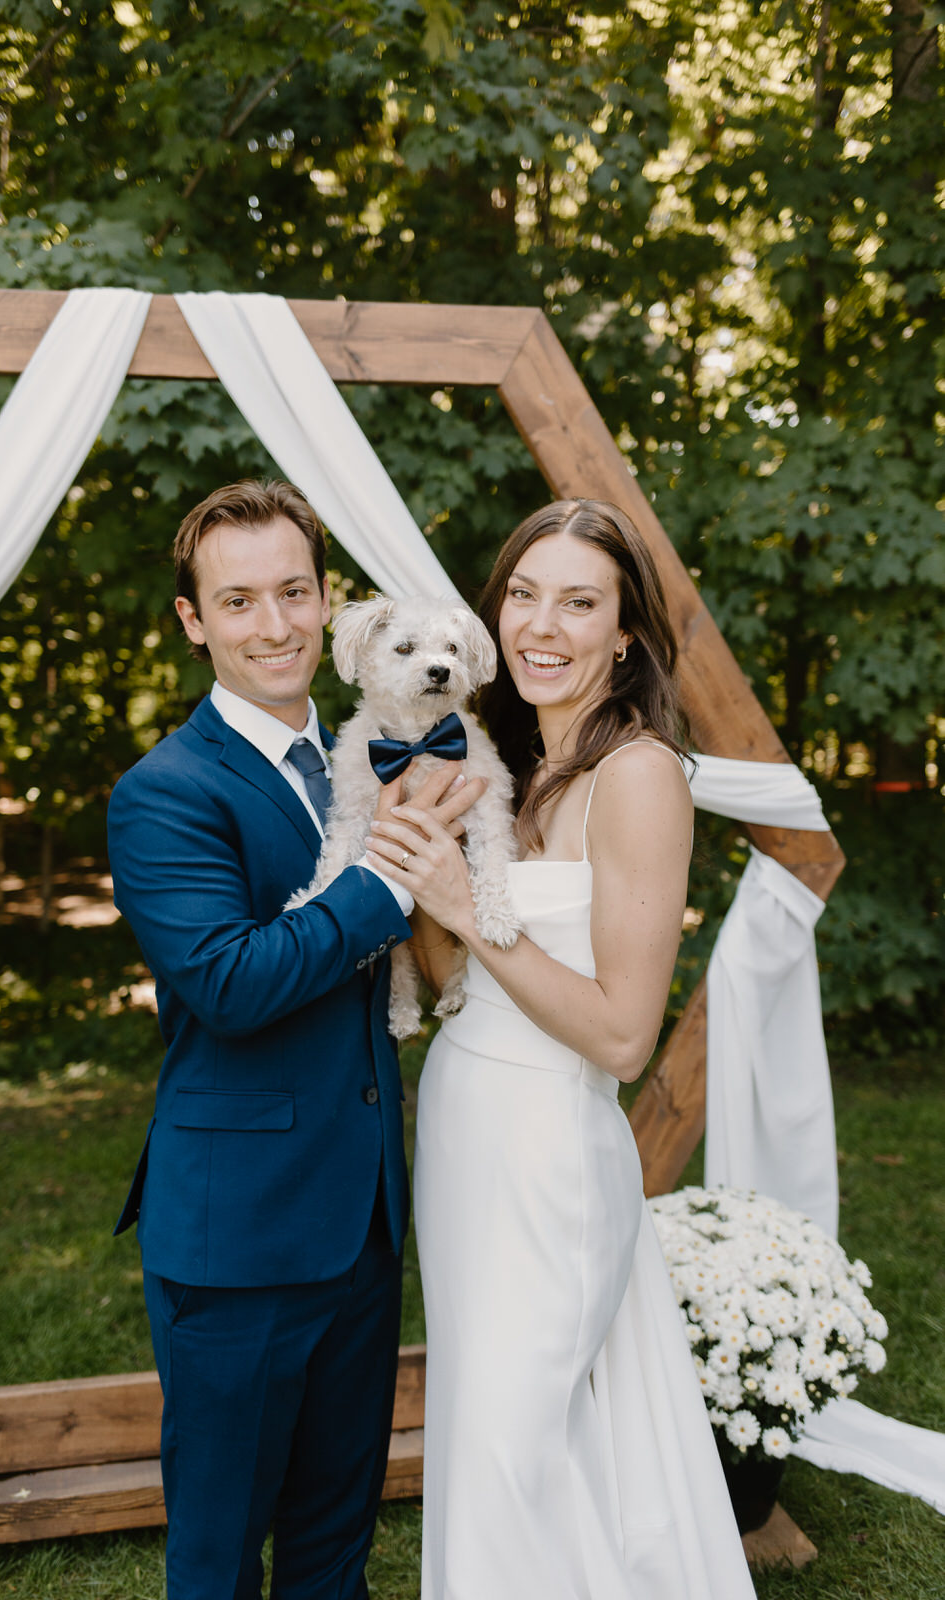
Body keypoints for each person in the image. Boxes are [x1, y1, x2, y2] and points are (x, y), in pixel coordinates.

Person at [367, 499, 757, 1599]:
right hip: (465, 1121)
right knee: (495, 1434)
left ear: (623, 631)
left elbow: (624, 1035)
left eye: (578, 601)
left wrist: (459, 898)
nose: (542, 623)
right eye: (523, 593)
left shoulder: (637, 774)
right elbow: (453, 981)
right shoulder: (515, 764)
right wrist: (421, 886)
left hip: (547, 1150)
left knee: (510, 1438)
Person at [107, 479, 479, 1600]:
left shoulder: (383, 753)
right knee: (219, 1558)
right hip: (236, 1236)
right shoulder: (163, 791)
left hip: (363, 1222)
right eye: (237, 601)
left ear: (327, 603)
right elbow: (227, 981)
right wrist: (386, 871)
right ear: (191, 619)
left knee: (334, 1547)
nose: (271, 625)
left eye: (291, 592)